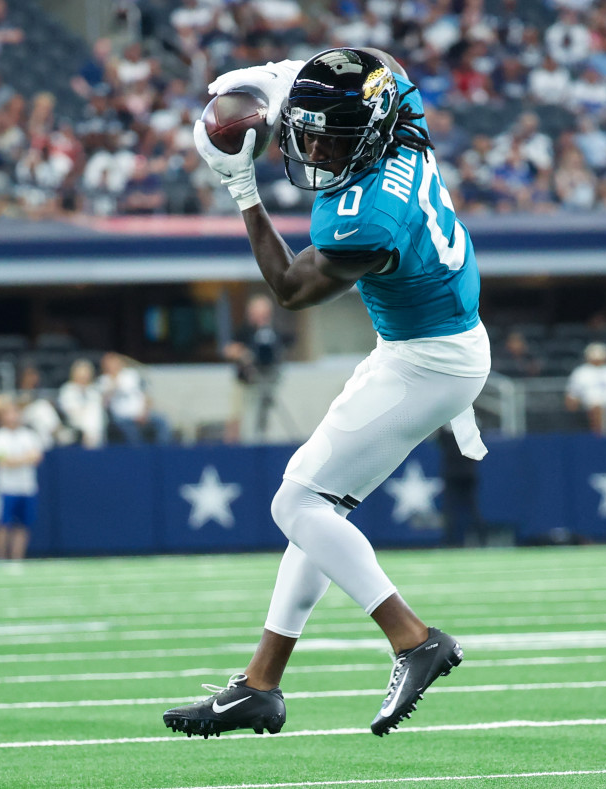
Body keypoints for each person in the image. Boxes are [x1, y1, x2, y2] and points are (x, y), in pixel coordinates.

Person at [165, 47, 487, 739]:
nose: (312, 148)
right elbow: (378, 65)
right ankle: (259, 683)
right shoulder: (397, 107)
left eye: (329, 139)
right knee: (319, 507)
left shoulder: (368, 219)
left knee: (296, 501)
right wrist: (283, 78)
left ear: (367, 135)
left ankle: (412, 637)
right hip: (427, 343)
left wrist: (240, 186)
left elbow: (289, 290)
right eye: (308, 133)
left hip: (429, 358)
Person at [223, 295, 287, 443]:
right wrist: (244, 354)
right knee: (238, 416)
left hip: (266, 382)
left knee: (262, 419)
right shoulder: (245, 330)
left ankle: (261, 442)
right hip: (245, 382)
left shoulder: (273, 333)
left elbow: (278, 353)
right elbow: (228, 349)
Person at [0, 402, 42, 561]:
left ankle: (17, 558)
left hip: (26, 487)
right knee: (3, 524)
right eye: (8, 414)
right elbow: (2, 462)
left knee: (23, 525)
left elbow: (37, 457)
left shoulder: (29, 435)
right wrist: (25, 458)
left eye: (14, 413)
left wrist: (15, 460)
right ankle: (0, 558)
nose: (12, 417)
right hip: (6, 488)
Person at [564, 342, 606, 435]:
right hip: (589, 405)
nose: (597, 360)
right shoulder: (580, 371)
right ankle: (600, 441)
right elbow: (572, 395)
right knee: (598, 409)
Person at [58, 359, 105, 448]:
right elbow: (69, 411)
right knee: (91, 413)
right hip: (74, 426)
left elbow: (99, 409)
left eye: (86, 373)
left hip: (94, 427)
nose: (84, 376)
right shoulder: (67, 389)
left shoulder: (94, 390)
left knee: (94, 410)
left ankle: (94, 444)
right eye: (81, 373)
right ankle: (91, 442)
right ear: (74, 374)